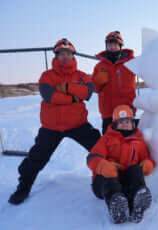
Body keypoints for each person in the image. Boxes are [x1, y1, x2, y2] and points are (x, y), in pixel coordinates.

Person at [8, 39, 101, 205]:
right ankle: (23, 186)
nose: (65, 57)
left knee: (100, 148)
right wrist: (74, 97)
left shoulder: (82, 76)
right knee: (36, 158)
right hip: (52, 127)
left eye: (68, 54)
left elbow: (87, 92)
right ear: (56, 56)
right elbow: (49, 96)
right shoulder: (46, 76)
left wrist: (65, 88)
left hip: (78, 124)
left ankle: (106, 182)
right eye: (62, 54)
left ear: (73, 55)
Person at [87, 105, 155, 224]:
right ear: (115, 124)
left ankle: (138, 199)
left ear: (133, 123)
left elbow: (146, 157)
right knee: (111, 173)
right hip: (104, 182)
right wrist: (103, 166)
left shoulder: (139, 141)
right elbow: (92, 157)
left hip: (126, 182)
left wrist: (148, 164)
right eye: (121, 122)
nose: (124, 124)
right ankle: (117, 206)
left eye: (127, 121)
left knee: (135, 169)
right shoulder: (106, 139)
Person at [92, 31, 136, 134]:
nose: (112, 46)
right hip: (108, 113)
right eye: (109, 44)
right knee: (110, 143)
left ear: (120, 45)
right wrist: (98, 81)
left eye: (115, 44)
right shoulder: (99, 66)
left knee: (129, 141)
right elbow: (95, 88)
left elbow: (148, 72)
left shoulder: (131, 62)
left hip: (127, 109)